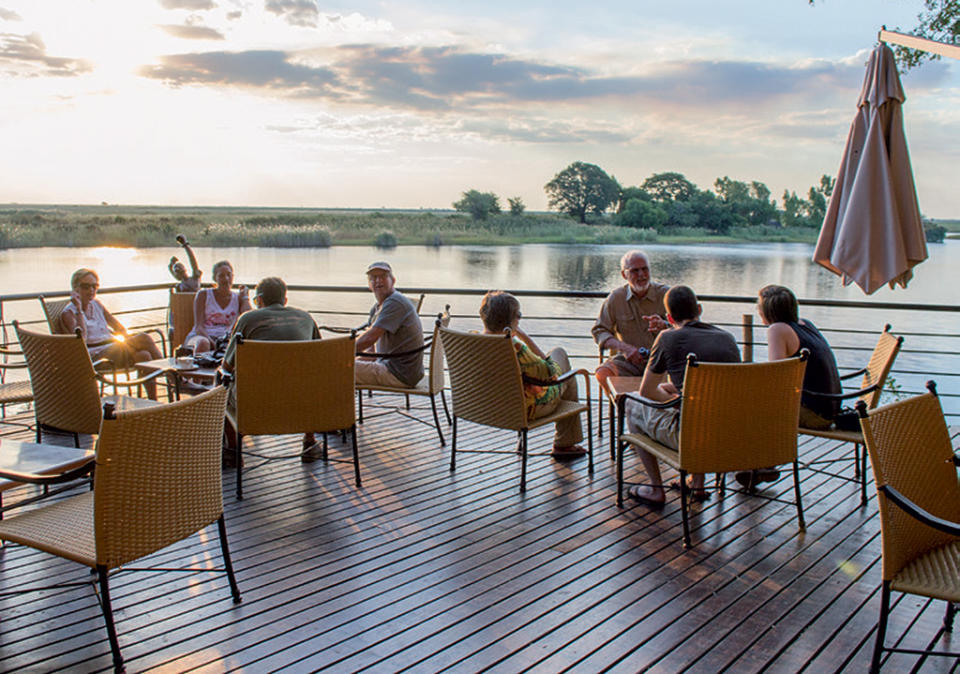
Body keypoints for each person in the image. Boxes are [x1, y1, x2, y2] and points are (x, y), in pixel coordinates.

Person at [624, 285, 741, 508]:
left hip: (690, 439)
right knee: (698, 411)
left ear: (669, 316)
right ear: (699, 308)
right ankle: (697, 484)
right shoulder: (727, 339)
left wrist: (677, 404)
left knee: (631, 403)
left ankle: (655, 488)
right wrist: (680, 395)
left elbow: (646, 392)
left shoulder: (667, 338)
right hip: (727, 438)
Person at [221, 277, 322, 464]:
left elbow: (226, 367)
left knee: (221, 381)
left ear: (259, 300)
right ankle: (309, 442)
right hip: (301, 403)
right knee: (309, 382)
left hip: (256, 405)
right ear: (284, 300)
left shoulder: (248, 319)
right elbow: (319, 359)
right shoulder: (305, 318)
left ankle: (233, 449)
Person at [479, 291, 586, 457]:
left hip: (485, 407)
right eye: (519, 315)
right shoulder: (515, 349)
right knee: (564, 366)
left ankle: (565, 442)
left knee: (555, 359)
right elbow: (550, 373)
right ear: (511, 320)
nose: (519, 319)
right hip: (524, 410)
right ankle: (564, 444)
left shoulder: (473, 341)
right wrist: (523, 336)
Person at [61, 268, 164, 399]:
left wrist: (129, 343)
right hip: (95, 357)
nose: (91, 290)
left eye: (94, 286)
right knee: (144, 338)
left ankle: (153, 402)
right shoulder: (69, 313)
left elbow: (118, 327)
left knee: (144, 355)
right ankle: (170, 372)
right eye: (86, 286)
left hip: (113, 350)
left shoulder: (97, 304)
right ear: (75, 288)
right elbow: (81, 341)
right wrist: (79, 310)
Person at [758, 284, 842, 430]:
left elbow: (776, 377)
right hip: (831, 408)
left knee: (746, 409)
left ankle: (758, 452)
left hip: (815, 415)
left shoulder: (777, 329)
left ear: (766, 310)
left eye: (759, 307)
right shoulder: (805, 324)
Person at [592, 250, 671, 393]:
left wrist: (666, 326)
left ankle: (663, 411)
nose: (641, 274)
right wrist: (625, 348)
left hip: (662, 363)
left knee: (681, 376)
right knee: (602, 373)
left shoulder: (667, 295)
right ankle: (622, 408)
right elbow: (599, 331)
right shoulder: (616, 298)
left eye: (645, 269)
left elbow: (688, 327)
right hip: (629, 362)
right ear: (624, 275)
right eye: (635, 271)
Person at [354, 261, 424, 388]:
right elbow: (372, 351)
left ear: (393, 280)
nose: (378, 281)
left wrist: (340, 351)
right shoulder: (378, 307)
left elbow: (369, 338)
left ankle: (333, 407)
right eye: (373, 278)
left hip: (399, 374)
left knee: (335, 370)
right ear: (369, 285)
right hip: (391, 367)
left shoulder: (395, 302)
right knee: (341, 366)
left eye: (383, 276)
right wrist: (349, 361)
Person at [183, 260, 251, 354]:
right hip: (201, 337)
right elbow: (198, 327)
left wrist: (245, 297)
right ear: (215, 278)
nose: (226, 279)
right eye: (221, 276)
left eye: (229, 275)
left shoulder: (237, 298)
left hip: (224, 339)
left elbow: (248, 317)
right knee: (203, 343)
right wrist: (213, 343)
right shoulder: (204, 295)